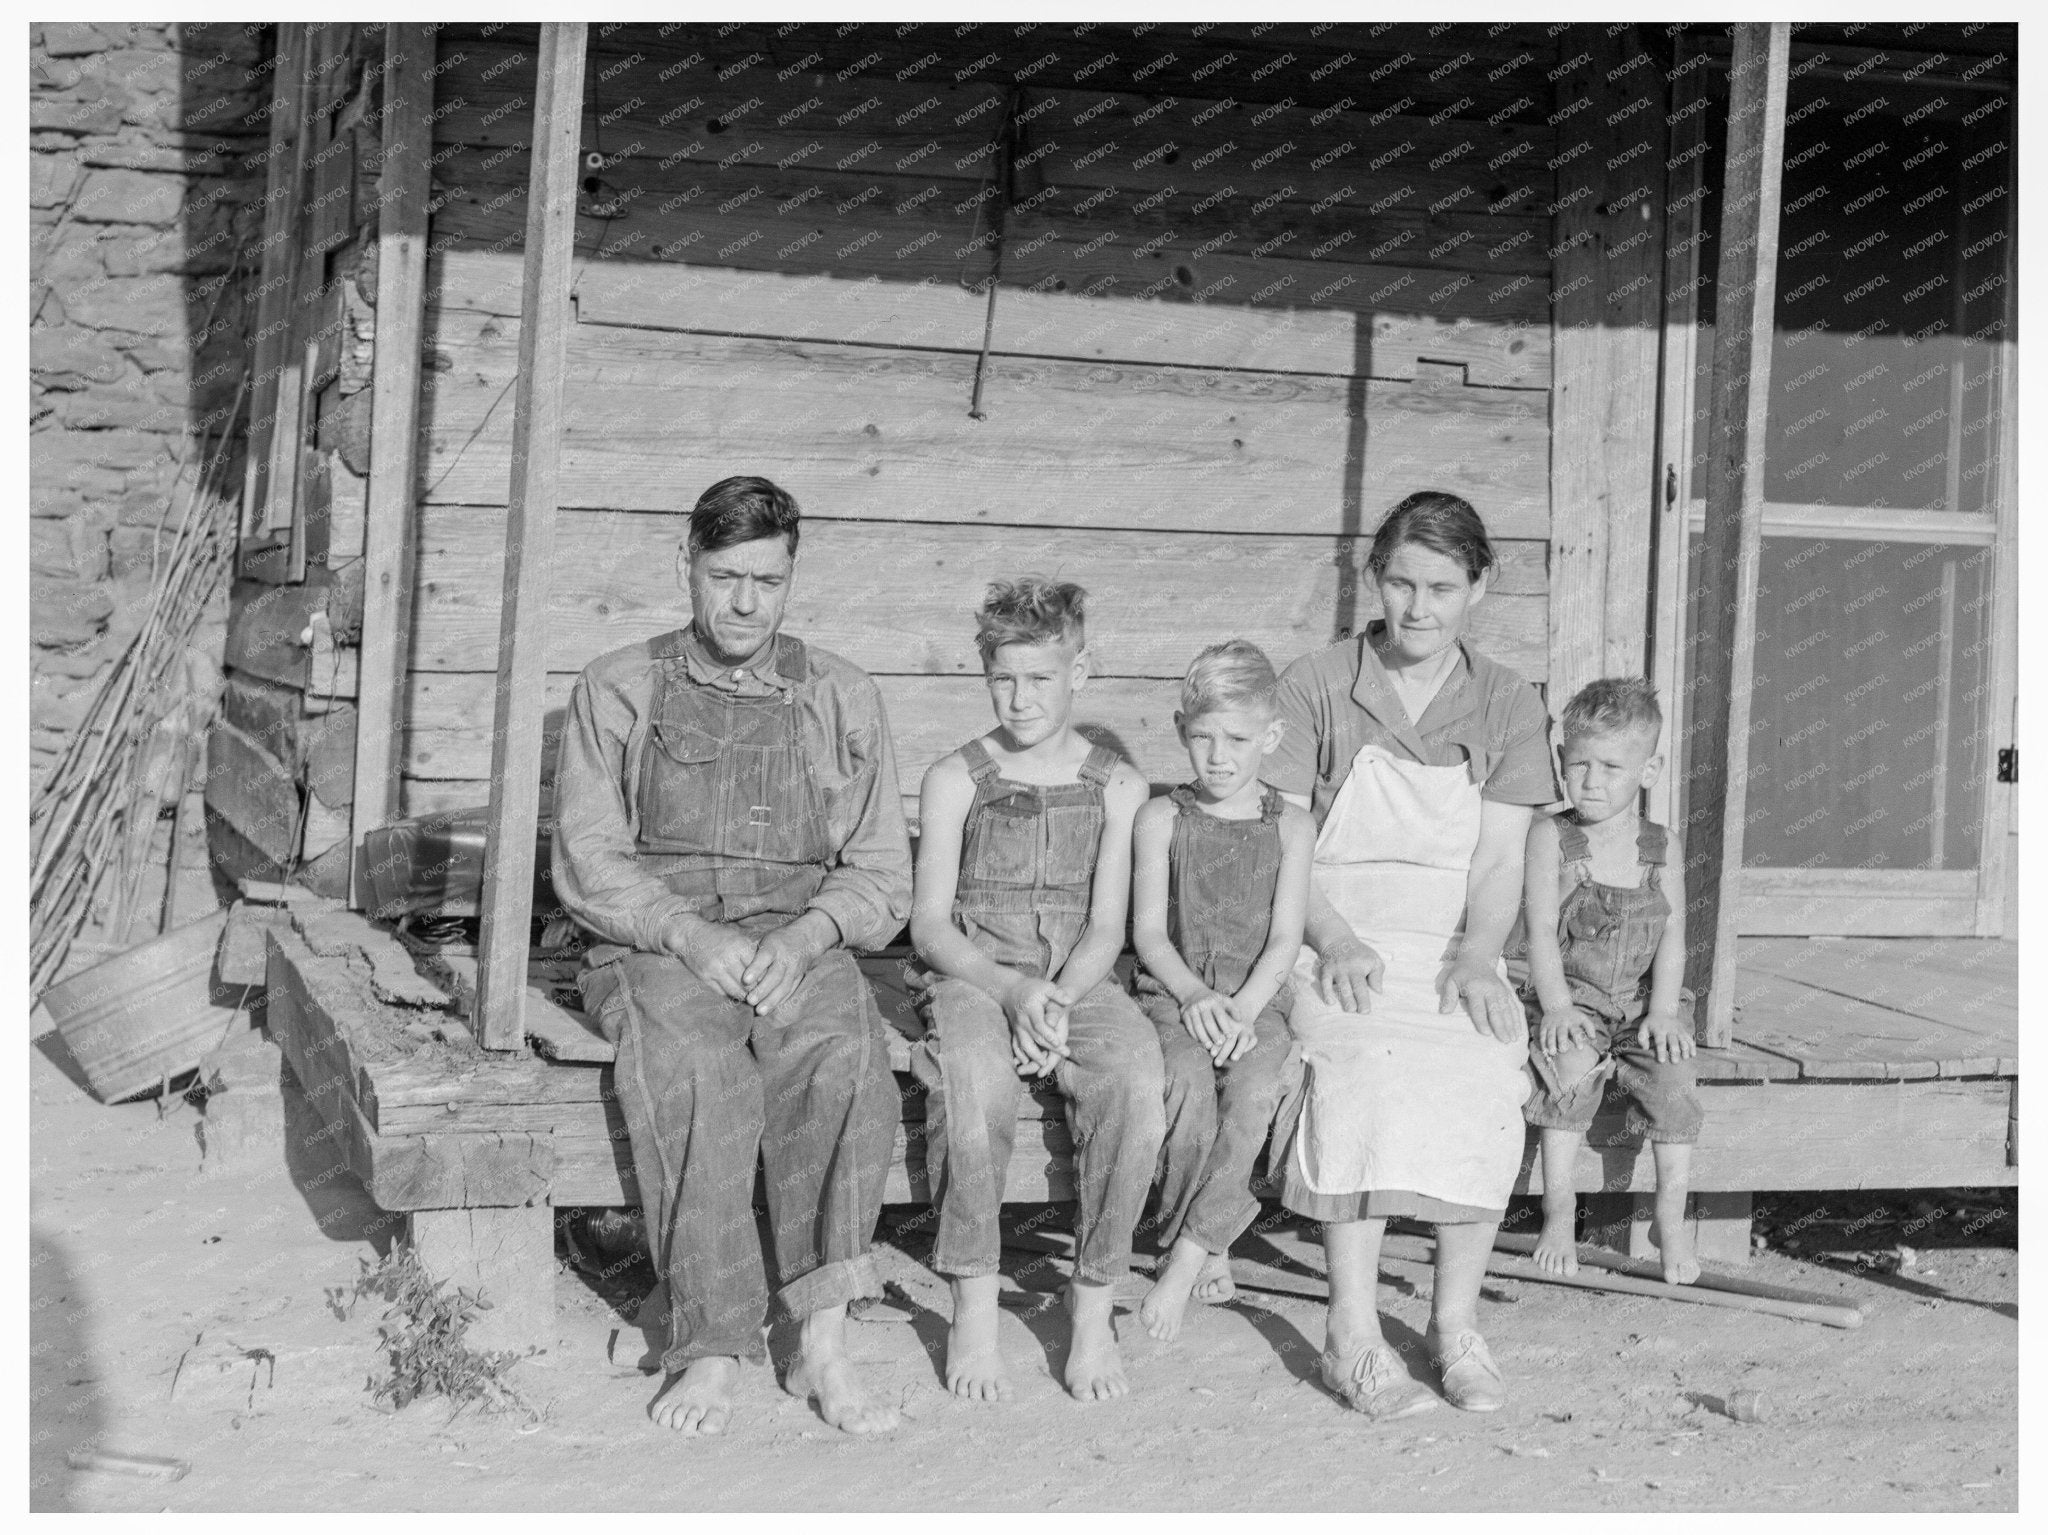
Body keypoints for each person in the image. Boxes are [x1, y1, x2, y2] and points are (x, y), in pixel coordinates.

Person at [551, 475, 911, 1438]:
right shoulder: (618, 684)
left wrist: (805, 938)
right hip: (659, 941)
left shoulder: (840, 692)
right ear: (687, 567)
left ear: (793, 576)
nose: (746, 602)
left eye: (768, 578)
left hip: (797, 938)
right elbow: (588, 860)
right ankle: (710, 1345)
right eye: (725, 576)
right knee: (702, 1071)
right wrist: (688, 935)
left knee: (841, 1060)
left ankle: (823, 1340)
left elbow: (879, 873)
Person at [1265, 490, 1559, 1420]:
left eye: (1441, 585)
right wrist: (1333, 936)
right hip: (1333, 931)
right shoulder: (1317, 681)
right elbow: (1286, 842)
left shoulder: (1509, 699)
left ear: (1481, 585)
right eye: (1400, 581)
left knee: (1483, 1066)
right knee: (1363, 1070)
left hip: (1450, 940)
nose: (1419, 606)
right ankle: (1351, 1332)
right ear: (1374, 578)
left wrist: (1479, 956)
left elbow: (1502, 853)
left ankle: (1454, 1323)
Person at [907, 576, 1163, 1403]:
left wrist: (1053, 997)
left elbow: (1107, 928)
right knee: (975, 1081)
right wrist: (1011, 990)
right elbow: (931, 927)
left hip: (1078, 981)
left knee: (1135, 1078)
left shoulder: (1119, 786)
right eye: (1003, 678)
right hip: (976, 974)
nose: (1019, 697)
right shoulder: (956, 778)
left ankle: (1092, 1302)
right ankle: (975, 1301)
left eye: (1040, 678)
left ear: (1080, 669)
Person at [1130, 640, 1313, 1342]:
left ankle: (1185, 1257)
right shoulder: (1161, 819)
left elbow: (1285, 939)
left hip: (1256, 1002)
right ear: (1181, 728)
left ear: (1269, 736)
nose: (1218, 755)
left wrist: (1240, 1007)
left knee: (1256, 1090)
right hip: (1173, 995)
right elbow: (1149, 932)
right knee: (1183, 1086)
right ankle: (1206, 1236)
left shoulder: (1291, 825)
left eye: (1237, 738)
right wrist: (1196, 999)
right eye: (1201, 736)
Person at [1520, 677, 1703, 1285]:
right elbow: (1541, 931)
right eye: (1578, 764)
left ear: (1648, 771)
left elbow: (1672, 935)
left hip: (1645, 1004)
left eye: (1610, 767)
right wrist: (1555, 1007)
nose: (1591, 781)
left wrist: (1664, 1011)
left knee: (1673, 1080)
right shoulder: (1553, 836)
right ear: (1560, 761)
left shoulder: (1661, 846)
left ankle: (1669, 1217)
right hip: (1575, 1000)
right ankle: (1558, 1212)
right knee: (1569, 1075)